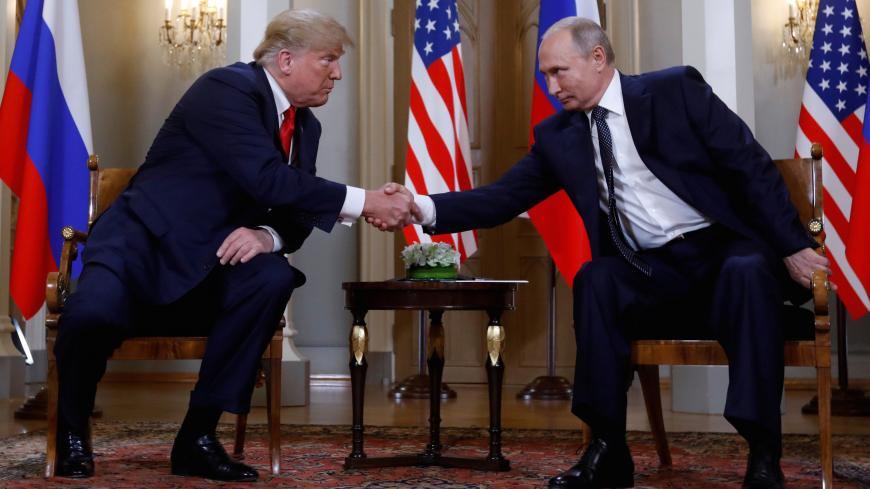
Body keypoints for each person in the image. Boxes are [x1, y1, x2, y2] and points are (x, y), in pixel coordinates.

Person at [385, 17, 829, 489]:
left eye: (559, 72)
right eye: (546, 76)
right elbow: (501, 198)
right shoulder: (558, 136)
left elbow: (750, 166)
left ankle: (763, 453)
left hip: (723, 254)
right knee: (596, 278)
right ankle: (608, 449)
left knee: (748, 270)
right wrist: (420, 207)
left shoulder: (675, 91)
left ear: (598, 58)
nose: (552, 87)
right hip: (653, 271)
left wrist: (792, 246)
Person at [54, 9, 415, 482]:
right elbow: (267, 179)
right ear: (286, 60)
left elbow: (296, 208)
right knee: (90, 315)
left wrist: (268, 236)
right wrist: (366, 200)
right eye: (328, 59)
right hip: (141, 250)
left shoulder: (306, 127)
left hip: (211, 264)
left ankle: (197, 437)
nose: (338, 74)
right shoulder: (227, 89)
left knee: (272, 276)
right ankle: (71, 431)